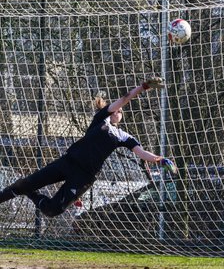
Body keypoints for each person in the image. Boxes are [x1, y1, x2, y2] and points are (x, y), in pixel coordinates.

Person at [0, 77, 177, 217]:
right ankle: (23, 189)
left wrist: (159, 159)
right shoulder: (101, 118)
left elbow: (141, 152)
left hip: (84, 176)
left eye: (121, 111)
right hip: (68, 162)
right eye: (116, 108)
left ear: (122, 117)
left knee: (52, 210)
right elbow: (124, 99)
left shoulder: (123, 137)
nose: (118, 111)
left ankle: (31, 193)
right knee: (21, 185)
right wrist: (143, 87)